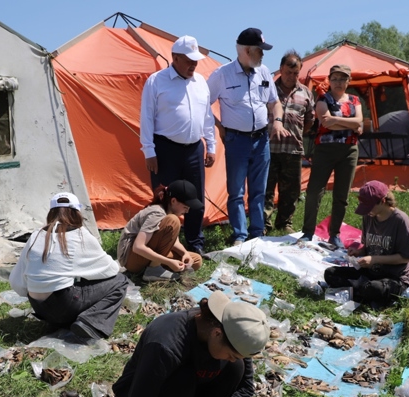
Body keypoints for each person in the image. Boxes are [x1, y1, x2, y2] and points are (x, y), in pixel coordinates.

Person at [112, 290, 269, 397]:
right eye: (232, 354)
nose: (232, 358)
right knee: (185, 377)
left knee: (235, 367)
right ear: (217, 334)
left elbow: (246, 387)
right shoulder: (166, 346)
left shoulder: (233, 333)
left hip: (188, 391)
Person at [9, 192, 128, 340]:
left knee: (69, 281)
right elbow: (110, 270)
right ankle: (91, 323)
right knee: (120, 281)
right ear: (76, 212)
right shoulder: (80, 234)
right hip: (64, 305)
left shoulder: (35, 235)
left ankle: (59, 322)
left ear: (51, 212)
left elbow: (17, 282)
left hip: (38, 307)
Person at [208, 27, 288, 245]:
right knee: (236, 190)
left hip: (261, 139)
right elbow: (203, 104)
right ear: (247, 51)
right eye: (260, 50)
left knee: (259, 190)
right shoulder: (221, 74)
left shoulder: (263, 72)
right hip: (236, 140)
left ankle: (257, 233)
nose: (263, 54)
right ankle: (240, 236)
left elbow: (274, 102)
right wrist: (219, 126)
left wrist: (278, 121)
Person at [140, 35, 216, 256]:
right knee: (164, 196)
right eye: (189, 60)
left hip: (194, 148)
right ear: (175, 58)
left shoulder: (201, 82)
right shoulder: (156, 81)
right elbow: (146, 117)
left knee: (195, 198)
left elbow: (207, 117)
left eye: (196, 60)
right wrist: (149, 150)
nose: (194, 64)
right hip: (165, 148)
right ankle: (161, 243)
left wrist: (210, 145)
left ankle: (195, 242)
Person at [300, 64, 364, 249]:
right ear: (329, 80)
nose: (338, 82)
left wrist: (336, 120)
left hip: (349, 151)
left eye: (342, 78)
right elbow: (325, 123)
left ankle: (334, 234)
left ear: (348, 81)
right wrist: (351, 124)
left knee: (341, 194)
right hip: (325, 151)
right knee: (314, 191)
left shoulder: (354, 100)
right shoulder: (322, 98)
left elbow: (359, 121)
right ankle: (308, 231)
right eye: (334, 78)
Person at [323, 181, 409, 307]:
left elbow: (406, 257)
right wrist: (359, 252)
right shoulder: (369, 216)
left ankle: (359, 293)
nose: (367, 211)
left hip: (394, 277)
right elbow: (369, 247)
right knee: (330, 273)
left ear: (383, 201)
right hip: (370, 273)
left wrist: (374, 259)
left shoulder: (400, 220)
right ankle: (365, 295)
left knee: (375, 288)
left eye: (369, 207)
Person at [264, 50, 315, 234]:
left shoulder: (306, 93)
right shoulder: (268, 90)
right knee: (266, 188)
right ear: (280, 69)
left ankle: (285, 222)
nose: (291, 76)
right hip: (269, 148)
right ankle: (264, 224)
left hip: (293, 150)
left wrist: (296, 133)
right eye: (288, 72)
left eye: (295, 73)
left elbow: (310, 120)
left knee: (291, 191)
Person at [117, 180, 204, 282]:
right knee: (173, 221)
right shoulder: (157, 213)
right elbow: (138, 247)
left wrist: (185, 253)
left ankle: (153, 268)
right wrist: (168, 262)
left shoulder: (168, 213)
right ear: (173, 201)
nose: (187, 211)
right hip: (131, 259)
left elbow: (173, 242)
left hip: (146, 254)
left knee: (196, 260)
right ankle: (153, 270)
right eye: (185, 207)